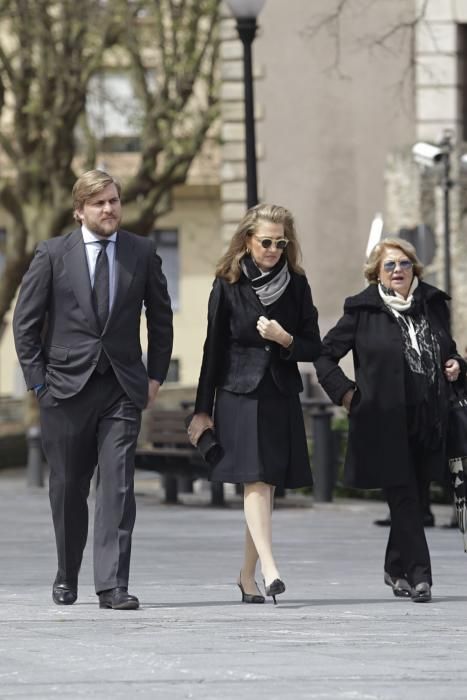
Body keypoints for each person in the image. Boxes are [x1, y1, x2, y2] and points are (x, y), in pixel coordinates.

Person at [13, 170, 173, 610]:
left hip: (122, 387)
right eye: (99, 203)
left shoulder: (142, 252)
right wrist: (39, 383)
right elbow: (25, 325)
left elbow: (161, 319)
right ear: (79, 210)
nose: (109, 209)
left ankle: (112, 585)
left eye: (114, 201)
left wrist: (155, 376)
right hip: (64, 390)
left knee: (118, 486)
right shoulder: (52, 254)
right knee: (67, 487)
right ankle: (67, 573)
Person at [314, 237, 465, 603]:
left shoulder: (432, 305)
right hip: (384, 421)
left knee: (411, 495)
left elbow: (451, 351)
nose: (398, 271)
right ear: (376, 274)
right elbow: (323, 356)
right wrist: (348, 395)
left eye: (405, 264)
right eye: (390, 266)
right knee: (405, 498)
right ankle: (420, 575)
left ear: (415, 268)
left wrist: (457, 366)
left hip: (431, 421)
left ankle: (395, 567)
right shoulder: (362, 311)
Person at [188, 204, 321, 604]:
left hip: (279, 391)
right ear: (247, 240)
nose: (274, 250)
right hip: (238, 392)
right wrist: (201, 409)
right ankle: (270, 567)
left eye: (281, 243)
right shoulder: (227, 283)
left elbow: (314, 344)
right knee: (256, 479)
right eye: (266, 242)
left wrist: (286, 340)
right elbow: (213, 349)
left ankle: (247, 576)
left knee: (264, 486)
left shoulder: (296, 284)